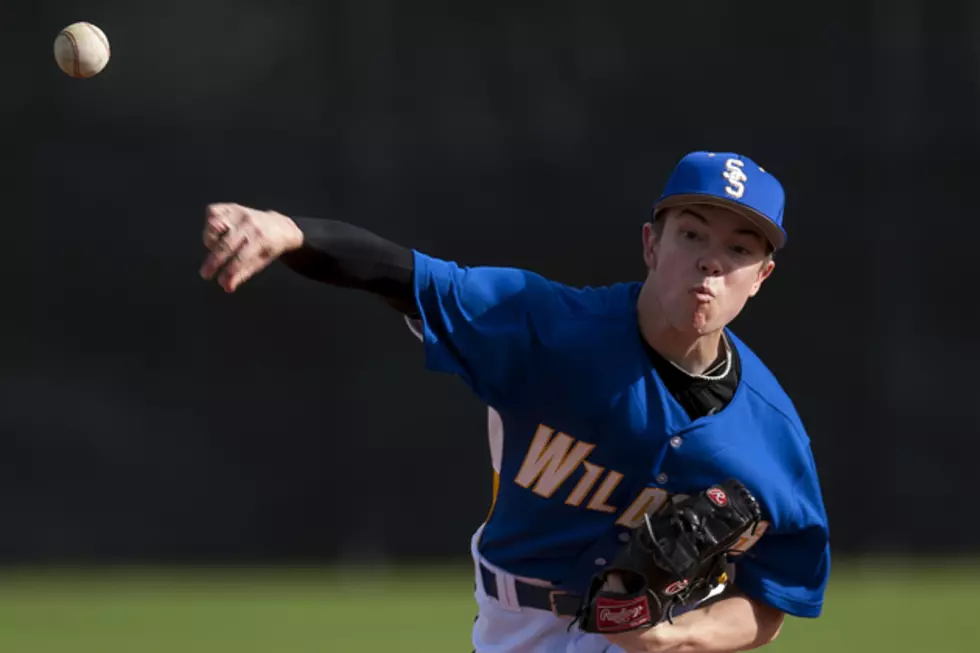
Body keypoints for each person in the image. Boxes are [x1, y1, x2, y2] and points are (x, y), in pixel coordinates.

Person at [198, 151, 830, 653]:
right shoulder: (546, 328)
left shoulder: (771, 437)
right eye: (692, 234)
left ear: (761, 275)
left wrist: (677, 637)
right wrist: (290, 232)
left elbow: (775, 595)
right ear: (651, 245)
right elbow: (405, 276)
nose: (710, 263)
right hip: (514, 629)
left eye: (739, 249)